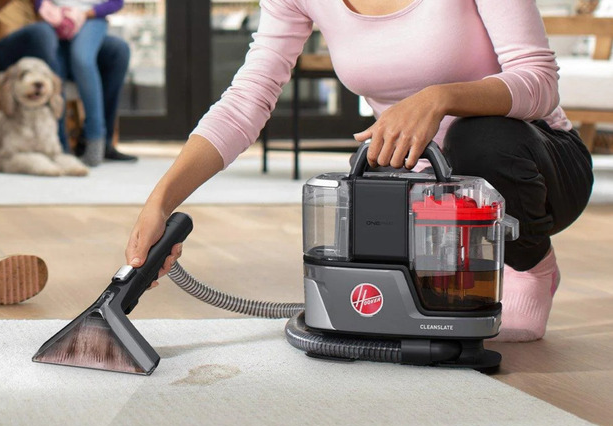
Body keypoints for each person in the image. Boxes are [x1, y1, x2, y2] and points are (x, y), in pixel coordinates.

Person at [125, 0, 594, 342]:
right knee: (374, 206)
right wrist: (161, 200)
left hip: (535, 164)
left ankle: (531, 265)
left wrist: (441, 97)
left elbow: (539, 81)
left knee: (478, 138)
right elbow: (246, 101)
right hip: (425, 188)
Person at [0, 0, 137, 162]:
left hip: (45, 43)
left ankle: (99, 141)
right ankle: (59, 145)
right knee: (41, 33)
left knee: (117, 50)